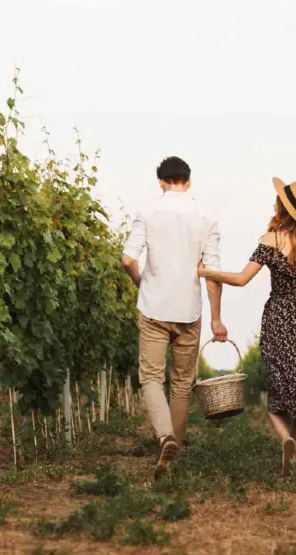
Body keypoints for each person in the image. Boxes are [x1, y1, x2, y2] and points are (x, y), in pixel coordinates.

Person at [198, 177, 296, 474]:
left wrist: (206, 272)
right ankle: (293, 464)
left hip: (279, 318)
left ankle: (285, 438)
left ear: (281, 208)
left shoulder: (270, 240)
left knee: (278, 391)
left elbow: (241, 279)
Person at [122, 156, 228, 478]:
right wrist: (216, 319)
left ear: (161, 182)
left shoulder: (147, 212)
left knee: (152, 378)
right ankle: (173, 456)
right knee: (182, 384)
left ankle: (164, 436)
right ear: (189, 181)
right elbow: (213, 273)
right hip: (189, 311)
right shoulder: (207, 218)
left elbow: (127, 259)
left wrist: (141, 282)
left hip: (154, 308)